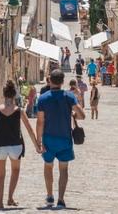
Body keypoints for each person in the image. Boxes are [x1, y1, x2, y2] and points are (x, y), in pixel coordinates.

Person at [0, 80, 41, 210]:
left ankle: (0, 203)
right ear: (15, 95)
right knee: (15, 170)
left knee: (0, 175)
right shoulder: (19, 111)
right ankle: (10, 197)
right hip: (15, 146)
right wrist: (37, 145)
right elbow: (29, 129)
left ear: (4, 94)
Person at [37, 69, 85, 209]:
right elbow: (82, 115)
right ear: (63, 82)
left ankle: (50, 195)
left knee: (48, 166)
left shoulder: (43, 98)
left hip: (48, 138)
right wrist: (73, 115)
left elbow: (40, 121)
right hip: (65, 138)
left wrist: (38, 140)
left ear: (50, 80)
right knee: (63, 169)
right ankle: (61, 199)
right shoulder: (69, 96)